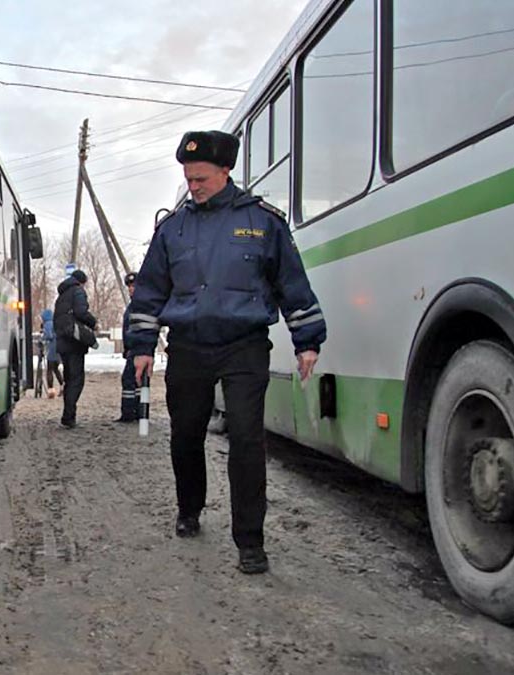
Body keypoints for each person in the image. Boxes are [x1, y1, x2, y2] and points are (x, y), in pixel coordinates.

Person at [127, 130, 326, 575]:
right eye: (188, 179)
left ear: (225, 171)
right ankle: (189, 508)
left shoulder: (263, 223)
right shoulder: (172, 230)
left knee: (248, 442)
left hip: (244, 346)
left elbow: (292, 284)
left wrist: (307, 339)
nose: (192, 187)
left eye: (200, 178)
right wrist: (141, 346)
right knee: (186, 436)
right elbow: (150, 292)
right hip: (188, 347)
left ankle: (250, 541)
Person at [53, 269, 97, 429]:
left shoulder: (61, 296)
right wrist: (93, 322)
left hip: (62, 342)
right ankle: (69, 416)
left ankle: (68, 414)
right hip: (74, 342)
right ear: (81, 281)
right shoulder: (78, 291)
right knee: (76, 380)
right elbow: (81, 312)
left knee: (69, 378)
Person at [116, 272, 139, 423]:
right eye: (129, 286)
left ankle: (130, 413)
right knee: (136, 382)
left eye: (133, 285)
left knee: (131, 380)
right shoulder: (133, 305)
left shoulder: (140, 304)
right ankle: (137, 412)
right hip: (133, 349)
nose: (131, 289)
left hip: (138, 348)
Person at [40, 308, 64, 397]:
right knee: (56, 369)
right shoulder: (56, 322)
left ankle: (51, 390)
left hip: (52, 349)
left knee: (49, 369)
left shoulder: (47, 324)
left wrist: (43, 337)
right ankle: (62, 386)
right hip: (59, 348)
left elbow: (48, 335)